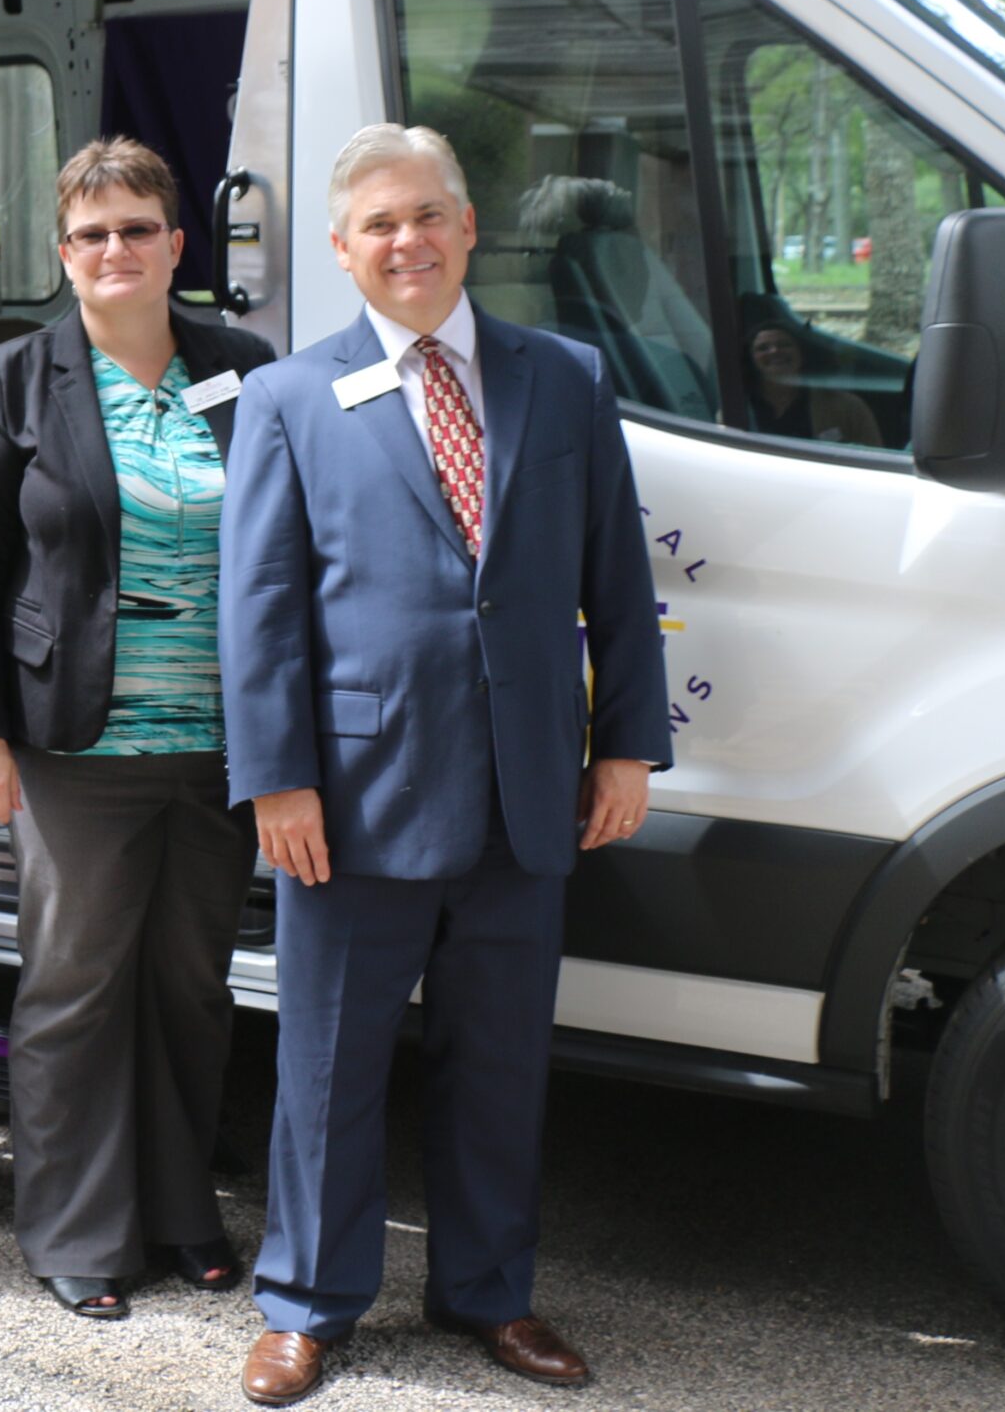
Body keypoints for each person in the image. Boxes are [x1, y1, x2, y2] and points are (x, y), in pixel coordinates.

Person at [218, 122, 670, 1404]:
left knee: (499, 1063)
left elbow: (617, 582)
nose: (404, 241)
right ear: (343, 250)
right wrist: (278, 779)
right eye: (376, 225)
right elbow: (257, 607)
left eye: (426, 215)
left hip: (529, 794)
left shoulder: (564, 378)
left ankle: (488, 1293)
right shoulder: (289, 397)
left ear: (468, 226)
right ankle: (306, 1300)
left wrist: (627, 742)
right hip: (352, 799)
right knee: (325, 1066)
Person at [0, 136, 276, 1321]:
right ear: (62, 255)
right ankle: (75, 1228)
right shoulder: (17, 378)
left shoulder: (242, 368)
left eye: (137, 228)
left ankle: (182, 1209)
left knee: (190, 985)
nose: (116, 249)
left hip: (221, 742)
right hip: (75, 743)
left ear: (178, 244)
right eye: (91, 233)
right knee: (75, 985)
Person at [742, 311, 883, 447]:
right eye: (763, 348)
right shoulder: (736, 408)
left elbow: (875, 457)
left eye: (784, 345)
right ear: (751, 360)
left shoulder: (849, 407)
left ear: (802, 354)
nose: (774, 351)